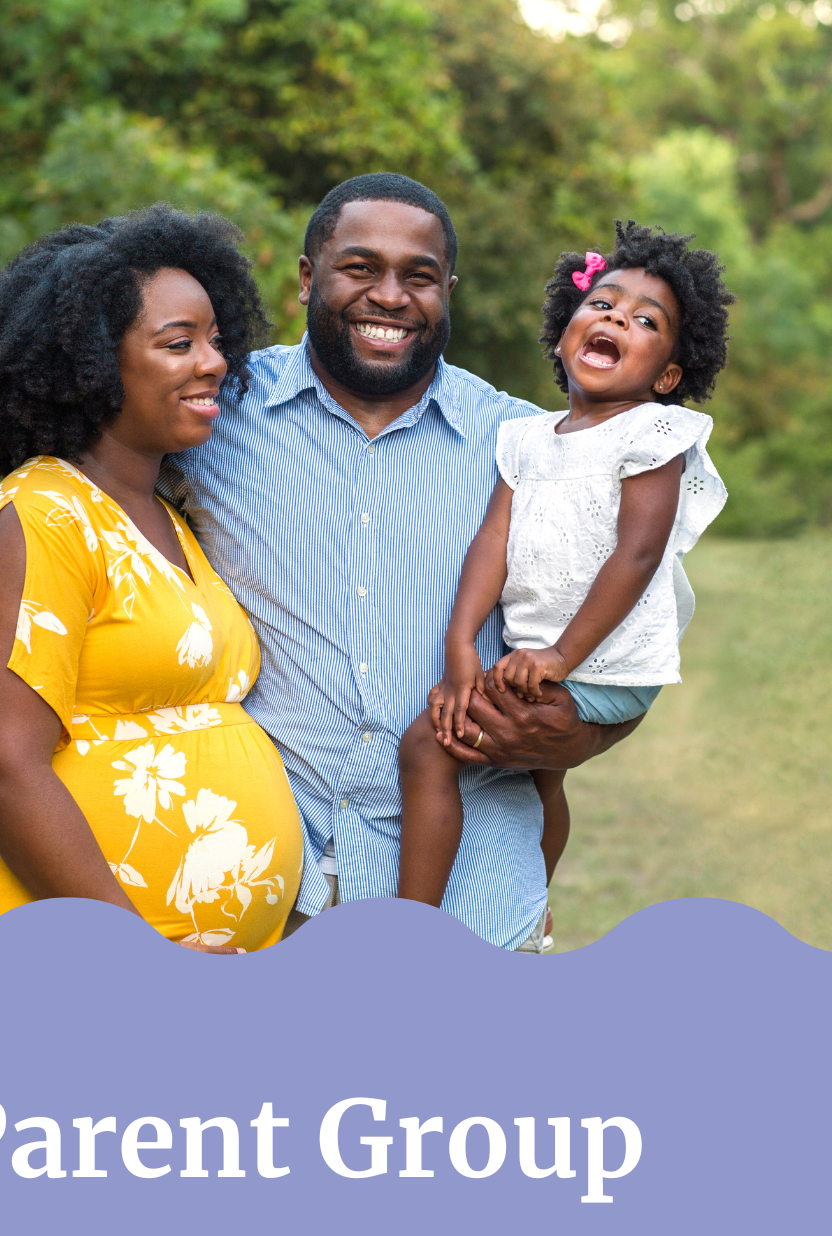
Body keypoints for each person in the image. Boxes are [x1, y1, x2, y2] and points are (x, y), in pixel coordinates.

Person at [158, 174, 646, 953]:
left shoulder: (529, 450)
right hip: (262, 871)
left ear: (447, 291)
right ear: (308, 277)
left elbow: (625, 637)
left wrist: (578, 739)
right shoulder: (215, 414)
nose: (389, 295)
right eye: (359, 268)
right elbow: (93, 518)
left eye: (418, 276)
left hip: (473, 885)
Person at [0, 207, 306, 955]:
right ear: (90, 362)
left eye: (217, 340)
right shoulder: (47, 514)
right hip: (66, 953)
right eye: (177, 344)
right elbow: (1, 765)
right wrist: (139, 958)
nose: (214, 362)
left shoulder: (165, 515)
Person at [397, 223, 732, 911]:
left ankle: (412, 924)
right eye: (602, 305)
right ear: (563, 333)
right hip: (542, 654)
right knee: (541, 783)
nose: (616, 318)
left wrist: (559, 654)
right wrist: (461, 645)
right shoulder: (524, 437)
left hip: (610, 662)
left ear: (669, 375)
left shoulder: (654, 433)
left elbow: (637, 554)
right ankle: (532, 905)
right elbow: (493, 541)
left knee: (428, 747)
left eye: (646, 321)